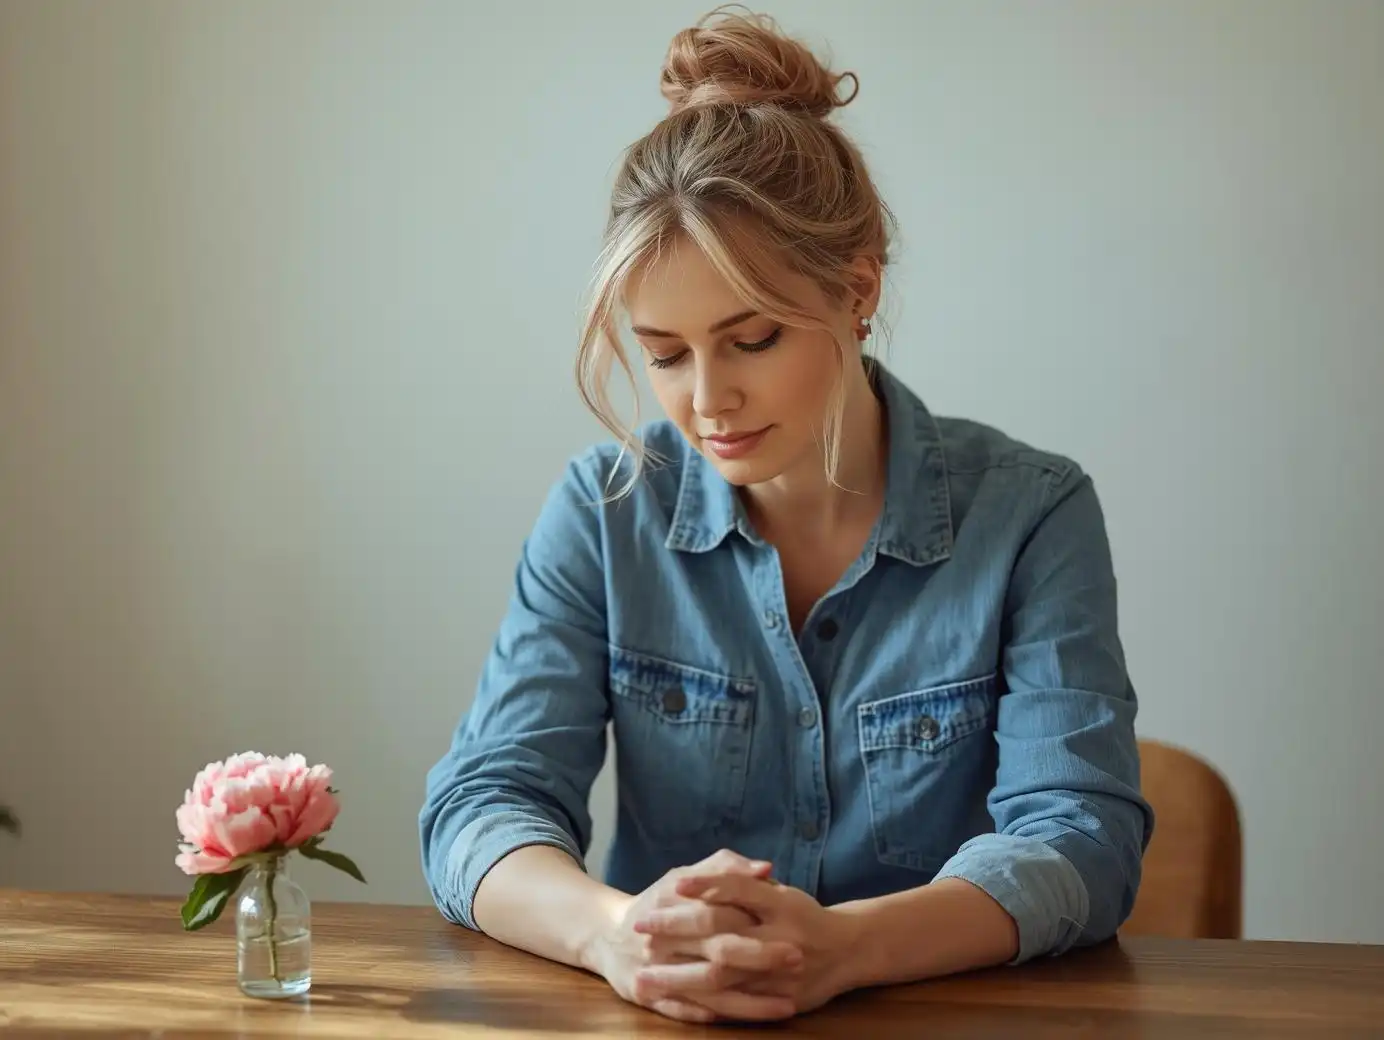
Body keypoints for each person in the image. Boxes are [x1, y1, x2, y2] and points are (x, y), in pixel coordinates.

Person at [419, 7, 1153, 1024]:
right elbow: (480, 802)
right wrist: (611, 933)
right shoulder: (603, 509)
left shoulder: (1031, 513)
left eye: (751, 337)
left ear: (857, 290)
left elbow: (1079, 832)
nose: (704, 397)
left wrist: (845, 947)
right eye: (665, 353)